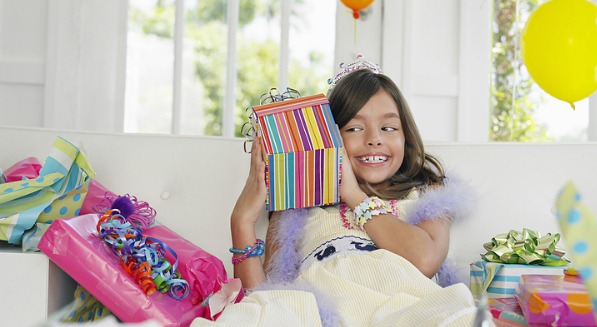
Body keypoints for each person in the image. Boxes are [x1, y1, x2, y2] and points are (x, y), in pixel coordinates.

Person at [192, 58, 477, 327]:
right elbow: (265, 297)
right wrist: (241, 220)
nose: (374, 139)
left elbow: (425, 260)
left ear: (406, 136)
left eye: (388, 127)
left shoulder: (427, 193)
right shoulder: (299, 206)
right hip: (322, 315)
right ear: (331, 137)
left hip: (405, 310)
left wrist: (353, 194)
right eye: (354, 128)